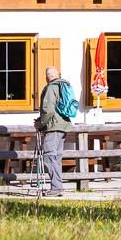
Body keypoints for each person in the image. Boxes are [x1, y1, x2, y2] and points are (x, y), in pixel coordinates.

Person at [35, 65, 76, 195]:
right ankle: (57, 187)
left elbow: (49, 110)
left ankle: (56, 188)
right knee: (56, 158)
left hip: (53, 127)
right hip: (63, 126)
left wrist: (40, 124)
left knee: (49, 157)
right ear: (58, 74)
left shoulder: (51, 87)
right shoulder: (63, 85)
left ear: (47, 78)